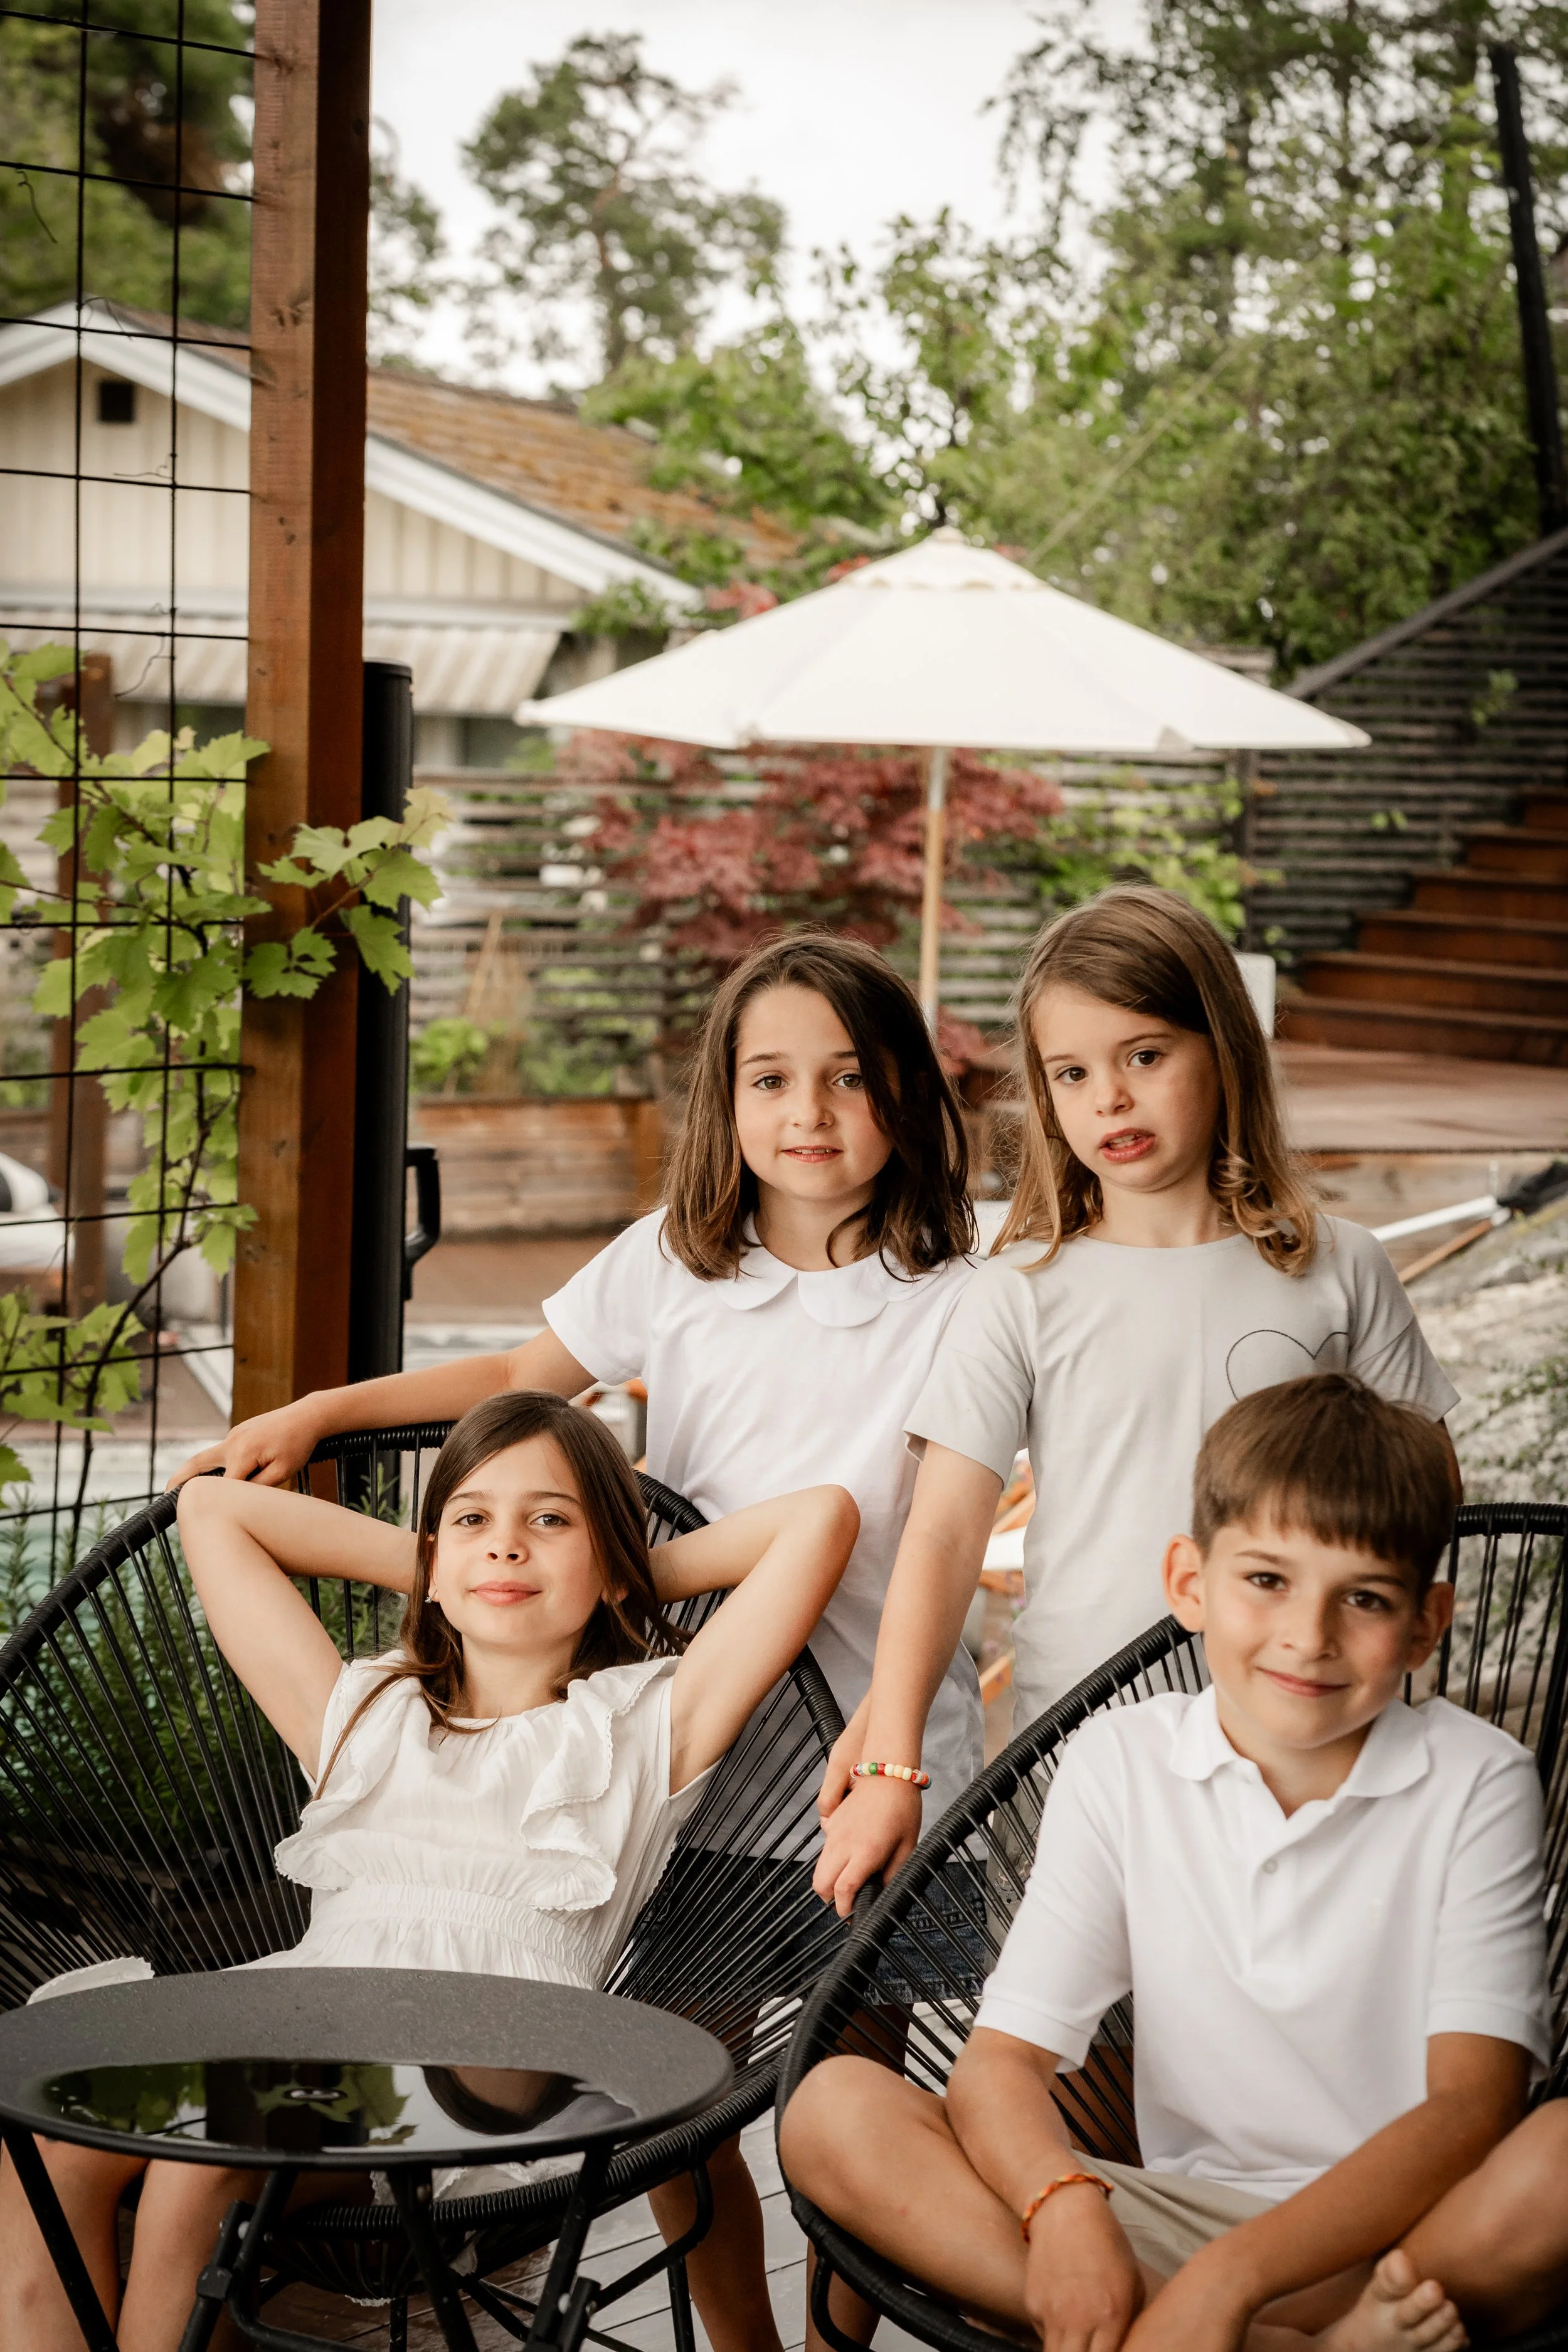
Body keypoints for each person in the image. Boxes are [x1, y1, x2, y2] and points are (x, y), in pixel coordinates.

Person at [0, 1392, 859, 2352]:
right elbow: (213, 1511)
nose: (506, 1546)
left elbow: (821, 1516)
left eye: (549, 1519)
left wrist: (625, 1571)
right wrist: (442, 1570)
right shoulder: (361, 1713)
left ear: (611, 1563)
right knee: (51, 2139)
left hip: (493, 2069)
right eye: (474, 1520)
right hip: (303, 2029)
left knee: (200, 2162)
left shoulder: (643, 1723)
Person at [783, 1375, 1568, 2352]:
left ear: (1425, 1621)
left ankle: (1183, 2329)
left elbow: (1471, 2106)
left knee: (1561, 2160)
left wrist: (1231, 2282)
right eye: (1268, 1580)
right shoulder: (1123, 1759)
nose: (1307, 1636)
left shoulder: (1479, 1778)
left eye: (1362, 1598)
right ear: (1190, 1583)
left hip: (1407, 2240)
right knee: (833, 2106)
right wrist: (1063, 2204)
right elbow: (1001, 2064)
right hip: (1171, 2221)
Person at [814, 886, 1461, 1915]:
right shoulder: (1018, 1290)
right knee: (1081, 2058)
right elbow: (940, 1536)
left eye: (1145, 1055)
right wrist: (891, 1759)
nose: (1109, 1097)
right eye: (1073, 1072)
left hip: (1317, 1734)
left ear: (1226, 1052)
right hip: (1083, 1737)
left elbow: (1426, 1498)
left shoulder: (1343, 1268)